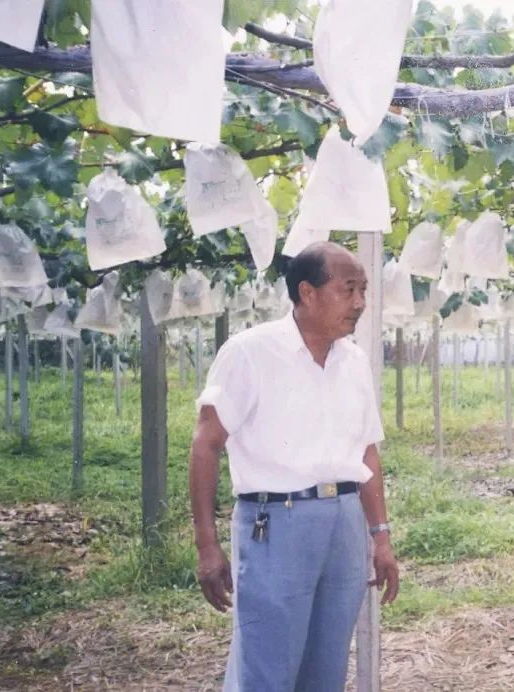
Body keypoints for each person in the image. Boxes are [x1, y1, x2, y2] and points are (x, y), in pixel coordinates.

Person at [189, 241, 400, 691]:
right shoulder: (250, 352)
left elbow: (367, 452)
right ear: (307, 292)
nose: (360, 303)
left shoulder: (355, 361)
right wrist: (207, 547)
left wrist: (380, 537)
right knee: (267, 667)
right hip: (275, 522)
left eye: (363, 290)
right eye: (349, 290)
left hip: (344, 524)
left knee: (326, 667)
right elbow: (206, 445)